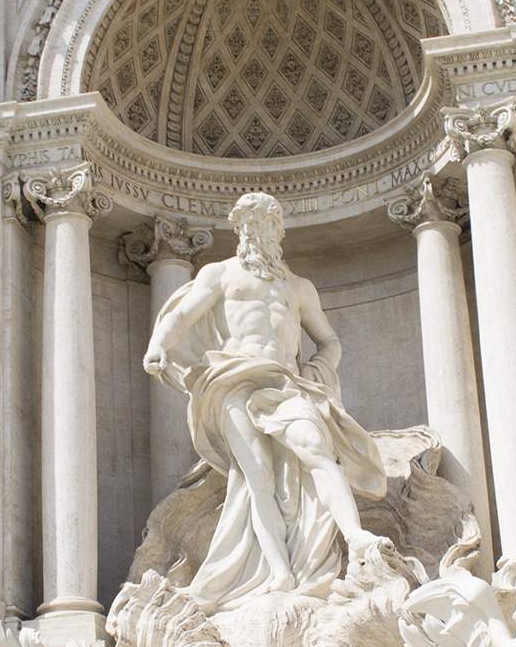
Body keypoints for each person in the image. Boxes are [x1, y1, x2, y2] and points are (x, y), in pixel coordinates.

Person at [143, 191, 387, 610]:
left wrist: (318, 368)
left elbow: (328, 339)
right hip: (234, 380)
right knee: (258, 478)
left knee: (316, 449)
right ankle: (279, 571)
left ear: (279, 232)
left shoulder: (298, 287)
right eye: (250, 225)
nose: (259, 232)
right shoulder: (220, 274)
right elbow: (181, 316)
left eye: (267, 224)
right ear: (240, 232)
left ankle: (355, 536)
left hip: (288, 384)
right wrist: (158, 344)